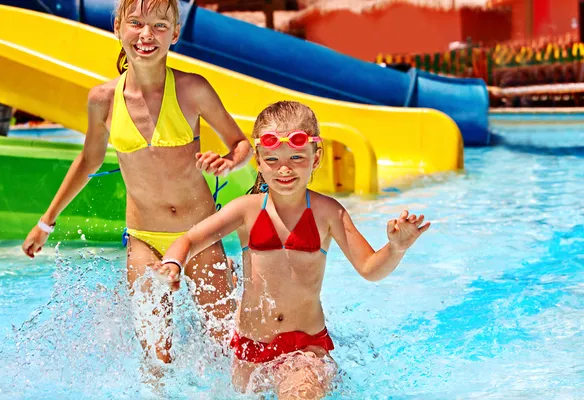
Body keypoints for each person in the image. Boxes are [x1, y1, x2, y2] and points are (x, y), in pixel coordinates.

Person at [21, 0, 252, 364]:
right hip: (145, 240)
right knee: (156, 359)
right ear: (117, 27)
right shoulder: (102, 100)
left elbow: (242, 145)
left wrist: (228, 163)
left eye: (160, 26)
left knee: (229, 345)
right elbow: (87, 161)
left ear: (175, 34)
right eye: (136, 23)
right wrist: (44, 223)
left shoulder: (193, 90)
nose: (147, 35)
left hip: (201, 235)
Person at [153, 101, 430, 398]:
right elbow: (190, 240)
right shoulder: (246, 210)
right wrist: (174, 263)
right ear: (258, 160)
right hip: (250, 349)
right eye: (272, 159)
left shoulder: (328, 213)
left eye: (296, 157)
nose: (284, 168)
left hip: (305, 350)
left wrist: (396, 248)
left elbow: (370, 269)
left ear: (316, 157)